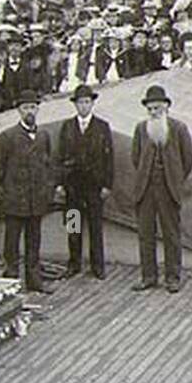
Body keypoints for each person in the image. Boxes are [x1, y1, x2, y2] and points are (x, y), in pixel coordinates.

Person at [130, 84, 192, 293]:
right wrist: (145, 176)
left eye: (157, 108)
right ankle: (148, 276)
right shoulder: (141, 129)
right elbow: (135, 157)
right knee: (145, 234)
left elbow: (188, 159)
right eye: (150, 108)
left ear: (166, 107)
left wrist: (175, 179)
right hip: (146, 189)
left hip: (168, 189)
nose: (153, 112)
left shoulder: (178, 128)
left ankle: (173, 277)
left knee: (171, 234)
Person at [0, 90, 55, 294]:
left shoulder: (43, 136)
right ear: (18, 111)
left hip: (36, 201)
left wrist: (47, 191)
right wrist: (3, 195)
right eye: (25, 108)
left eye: (33, 107)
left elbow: (48, 167)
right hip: (15, 201)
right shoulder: (7, 137)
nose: (29, 111)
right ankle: (10, 280)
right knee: (11, 244)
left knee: (34, 242)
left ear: (38, 109)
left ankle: (34, 280)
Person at [54, 83, 115, 279]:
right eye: (80, 102)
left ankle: (98, 266)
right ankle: (74, 263)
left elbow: (109, 159)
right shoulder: (67, 127)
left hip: (94, 186)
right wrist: (61, 184)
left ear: (92, 104)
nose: (83, 106)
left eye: (87, 102)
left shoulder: (102, 127)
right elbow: (60, 157)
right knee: (73, 225)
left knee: (95, 226)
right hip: (73, 187)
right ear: (75, 105)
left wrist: (107, 184)